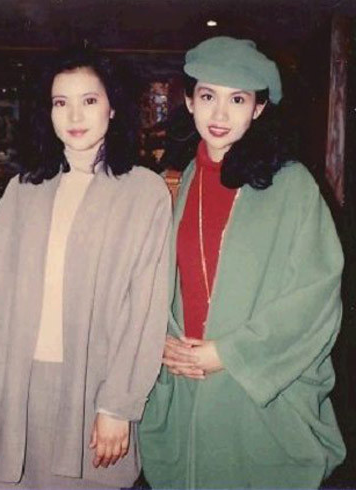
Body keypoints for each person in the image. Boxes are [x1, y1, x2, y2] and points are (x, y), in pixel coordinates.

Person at [0, 47, 171, 489]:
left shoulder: (143, 192)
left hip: (94, 389)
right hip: (18, 387)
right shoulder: (23, 190)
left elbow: (145, 310)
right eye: (61, 102)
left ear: (113, 107)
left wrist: (119, 405)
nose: (75, 115)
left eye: (89, 100)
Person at [138, 36, 345, 489]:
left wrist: (227, 354)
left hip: (255, 391)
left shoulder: (292, 185)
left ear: (258, 108)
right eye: (208, 96)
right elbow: (160, 281)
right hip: (185, 383)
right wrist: (161, 340)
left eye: (237, 99)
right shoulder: (177, 181)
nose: (219, 114)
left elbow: (315, 296)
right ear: (189, 101)